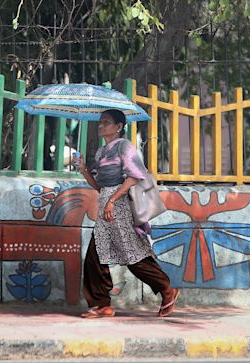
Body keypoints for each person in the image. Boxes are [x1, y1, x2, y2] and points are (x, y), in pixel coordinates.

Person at [75, 109, 179, 319]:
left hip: (119, 207)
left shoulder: (125, 146)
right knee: (96, 257)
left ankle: (167, 289)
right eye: (100, 122)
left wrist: (112, 201)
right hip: (106, 206)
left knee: (133, 256)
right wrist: (84, 169)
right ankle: (101, 304)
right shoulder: (101, 152)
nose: (101, 125)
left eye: (106, 122)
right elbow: (100, 186)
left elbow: (135, 176)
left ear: (118, 127)